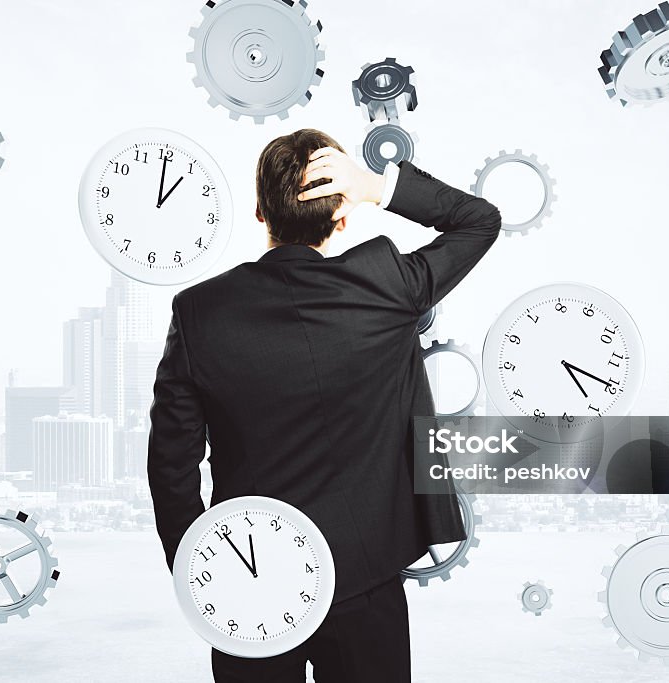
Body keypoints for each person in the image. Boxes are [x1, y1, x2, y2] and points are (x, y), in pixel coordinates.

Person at [149, 128, 502, 682]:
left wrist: (203, 570)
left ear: (261, 212)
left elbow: (171, 466)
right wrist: (376, 189)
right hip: (366, 578)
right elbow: (479, 220)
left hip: (252, 583)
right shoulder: (387, 284)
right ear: (341, 217)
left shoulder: (199, 312)